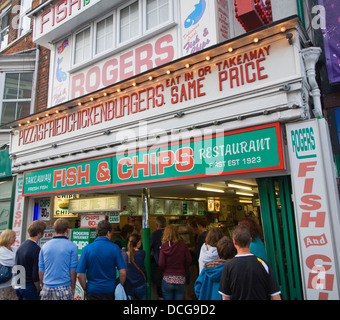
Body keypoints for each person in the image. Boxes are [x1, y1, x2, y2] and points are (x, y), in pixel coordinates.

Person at [219, 225, 281, 300]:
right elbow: (275, 296)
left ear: (234, 241)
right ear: (250, 240)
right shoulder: (263, 264)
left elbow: (225, 298)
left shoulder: (228, 267)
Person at [77, 220, 126, 300]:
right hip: (110, 291)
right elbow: (123, 272)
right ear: (108, 233)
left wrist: (85, 288)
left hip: (92, 291)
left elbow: (79, 274)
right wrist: (120, 286)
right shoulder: (115, 248)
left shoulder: (87, 249)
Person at [39, 218, 78, 300]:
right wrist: (73, 287)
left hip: (47, 287)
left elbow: (41, 270)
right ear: (67, 230)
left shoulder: (45, 246)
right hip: (64, 286)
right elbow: (72, 270)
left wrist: (43, 285)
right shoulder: (72, 246)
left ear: (54, 229)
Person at [15, 220, 47, 300]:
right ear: (40, 232)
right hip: (29, 286)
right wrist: (38, 288)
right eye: (43, 230)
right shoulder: (36, 249)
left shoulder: (21, 246)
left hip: (18, 284)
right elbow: (35, 273)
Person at [158, 225, 191, 300]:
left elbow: (161, 263)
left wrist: (165, 271)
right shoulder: (183, 246)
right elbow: (188, 260)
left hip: (167, 279)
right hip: (180, 278)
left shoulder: (164, 247)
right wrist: (183, 269)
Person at [122, 233, 147, 300]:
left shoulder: (123, 255)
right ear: (139, 243)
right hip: (141, 285)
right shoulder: (142, 253)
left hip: (129, 286)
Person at [150, 215, 166, 299]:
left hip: (159, 266)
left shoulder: (154, 234)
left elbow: (147, 249)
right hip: (172, 268)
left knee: (160, 292)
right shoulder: (169, 233)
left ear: (156, 225)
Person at [0, 229, 17, 300]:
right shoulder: (1, 250)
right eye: (13, 237)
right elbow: (10, 262)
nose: (15, 239)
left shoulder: (15, 249)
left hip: (15, 284)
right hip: (4, 285)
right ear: (7, 237)